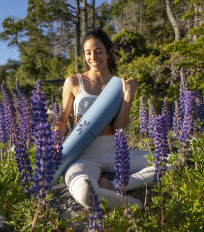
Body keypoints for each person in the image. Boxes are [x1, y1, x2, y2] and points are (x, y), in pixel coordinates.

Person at [55, 29, 157, 209]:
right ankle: (136, 208)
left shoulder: (119, 85)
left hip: (114, 153)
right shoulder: (73, 81)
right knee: (84, 192)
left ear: (109, 52)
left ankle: (116, 185)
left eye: (98, 51)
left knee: (170, 162)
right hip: (83, 155)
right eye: (88, 53)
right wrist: (55, 144)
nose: (93, 57)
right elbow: (62, 118)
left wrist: (128, 98)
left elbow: (119, 128)